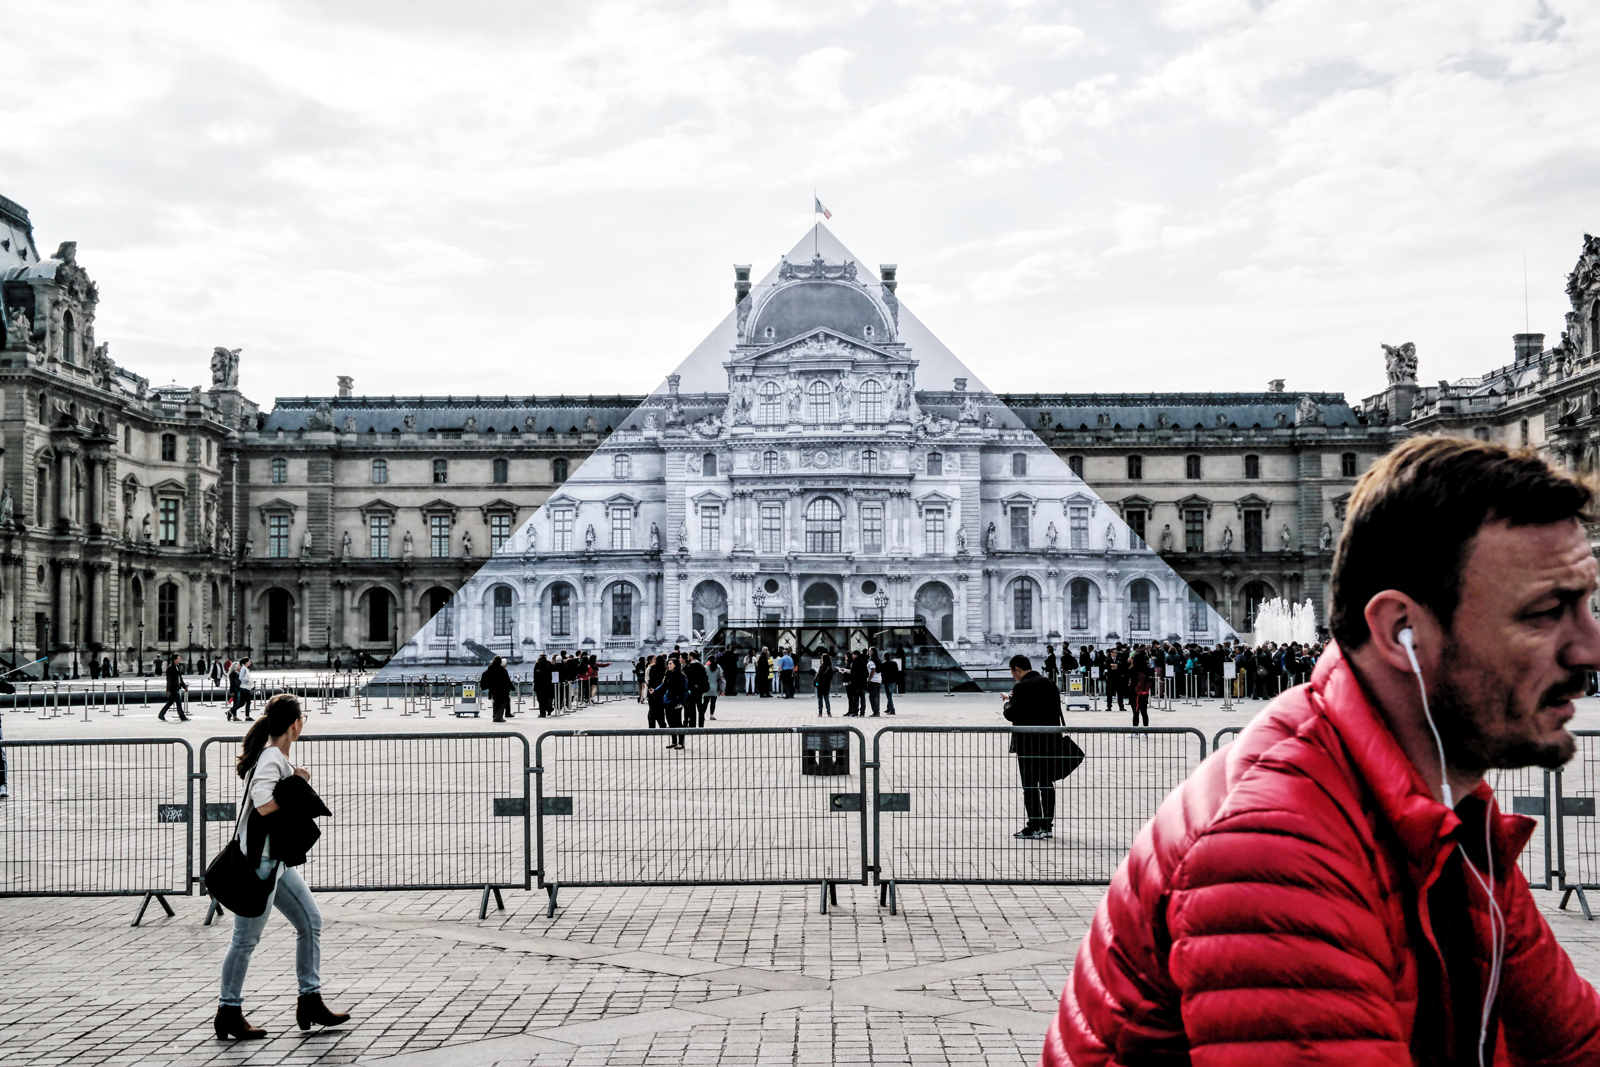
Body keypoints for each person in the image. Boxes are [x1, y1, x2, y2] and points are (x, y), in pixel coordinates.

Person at [1041, 437, 1600, 1064]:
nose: (1593, 649)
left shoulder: (1448, 808)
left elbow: (1572, 1040)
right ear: (1401, 632)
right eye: (1545, 612)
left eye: (1586, 605)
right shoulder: (1273, 851)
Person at [215, 694, 349, 1040]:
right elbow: (263, 804)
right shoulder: (272, 757)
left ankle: (310, 999)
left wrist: (296, 779)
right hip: (259, 863)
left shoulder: (273, 756)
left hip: (276, 861)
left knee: (310, 921)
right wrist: (299, 781)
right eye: (303, 719)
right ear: (295, 724)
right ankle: (228, 1011)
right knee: (245, 939)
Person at [1001, 654, 1080, 839]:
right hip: (1050, 740)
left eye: (1013, 673)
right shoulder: (1049, 683)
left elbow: (1013, 714)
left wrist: (1007, 703)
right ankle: (1047, 826)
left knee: (1030, 785)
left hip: (1028, 743)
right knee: (1046, 783)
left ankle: (1034, 826)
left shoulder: (1021, 686)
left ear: (1017, 669)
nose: (1014, 677)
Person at [654, 658, 690, 749]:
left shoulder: (681, 676)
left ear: (675, 665)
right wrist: (655, 690)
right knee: (670, 721)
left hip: (676, 700)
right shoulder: (668, 674)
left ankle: (681, 742)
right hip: (667, 700)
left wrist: (682, 702)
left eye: (670, 663)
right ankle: (674, 741)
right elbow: (664, 685)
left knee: (678, 722)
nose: (668, 665)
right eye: (668, 664)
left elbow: (684, 690)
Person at [480, 655, 513, 723]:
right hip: (502, 690)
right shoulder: (502, 670)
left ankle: (495, 716)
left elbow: (484, 676)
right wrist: (512, 688)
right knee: (502, 703)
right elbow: (507, 681)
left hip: (493, 689)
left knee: (495, 703)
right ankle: (498, 717)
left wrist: (485, 686)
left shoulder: (490, 669)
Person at [158, 653, 189, 722]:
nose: (180, 659)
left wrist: (184, 686)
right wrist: (168, 690)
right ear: (175, 659)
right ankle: (182, 717)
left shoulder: (177, 666)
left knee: (170, 702)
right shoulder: (171, 668)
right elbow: (169, 680)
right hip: (174, 688)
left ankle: (161, 714)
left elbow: (180, 678)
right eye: (178, 658)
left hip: (177, 687)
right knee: (178, 703)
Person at [685, 652, 709, 728]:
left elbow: (689, 678)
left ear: (691, 657)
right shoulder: (701, 665)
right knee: (700, 707)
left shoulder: (690, 666)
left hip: (692, 689)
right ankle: (701, 723)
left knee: (692, 708)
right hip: (700, 689)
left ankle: (692, 724)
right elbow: (705, 677)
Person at [1129, 649, 1151, 733]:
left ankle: (1135, 731)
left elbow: (1126, 676)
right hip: (1144, 692)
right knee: (1144, 712)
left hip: (1134, 692)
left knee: (1135, 712)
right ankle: (1145, 732)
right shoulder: (1147, 669)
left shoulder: (1133, 669)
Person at [814, 652, 835, 717]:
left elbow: (819, 675)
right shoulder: (830, 667)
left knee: (820, 698)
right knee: (826, 698)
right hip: (827, 684)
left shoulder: (822, 666)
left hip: (820, 684)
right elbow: (831, 676)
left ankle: (820, 712)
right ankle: (829, 712)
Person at [704, 655, 722, 721]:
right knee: (713, 702)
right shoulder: (718, 667)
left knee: (705, 702)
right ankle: (711, 715)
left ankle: (702, 714)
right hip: (715, 686)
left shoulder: (706, 667)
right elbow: (721, 676)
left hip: (707, 686)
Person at [865, 650, 882, 717]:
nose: (868, 652)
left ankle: (875, 711)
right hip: (878, 680)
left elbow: (873, 670)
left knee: (873, 696)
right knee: (877, 696)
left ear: (872, 652)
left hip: (873, 680)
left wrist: (869, 679)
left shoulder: (872, 661)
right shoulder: (879, 660)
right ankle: (877, 711)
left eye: (869, 651)